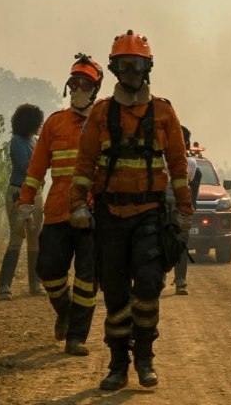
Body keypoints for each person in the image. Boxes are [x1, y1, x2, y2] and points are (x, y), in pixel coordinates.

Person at [69, 30, 193, 390]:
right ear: (115, 68)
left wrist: (184, 213)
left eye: (137, 64)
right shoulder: (102, 113)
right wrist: (77, 204)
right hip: (109, 216)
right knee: (117, 293)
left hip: (149, 215)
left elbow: (179, 169)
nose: (131, 72)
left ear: (147, 67)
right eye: (124, 65)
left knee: (150, 285)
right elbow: (85, 163)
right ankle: (118, 363)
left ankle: (145, 358)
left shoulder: (164, 112)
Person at [17, 53, 103, 355]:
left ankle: (77, 336)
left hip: (93, 214)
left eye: (86, 84)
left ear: (96, 88)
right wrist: (25, 202)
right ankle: (64, 310)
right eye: (75, 83)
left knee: (87, 277)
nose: (80, 89)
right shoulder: (55, 124)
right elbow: (36, 168)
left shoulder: (105, 124)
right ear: (68, 87)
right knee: (48, 268)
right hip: (57, 212)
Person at [0, 104, 44, 301]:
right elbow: (26, 167)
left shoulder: (34, 140)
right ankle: (4, 286)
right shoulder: (17, 142)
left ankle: (35, 283)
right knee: (17, 237)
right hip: (19, 192)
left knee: (35, 237)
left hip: (36, 192)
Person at [172, 125, 201, 296]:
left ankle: (180, 281)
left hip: (180, 210)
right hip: (164, 209)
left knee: (180, 244)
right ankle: (169, 280)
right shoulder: (160, 159)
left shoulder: (190, 164)